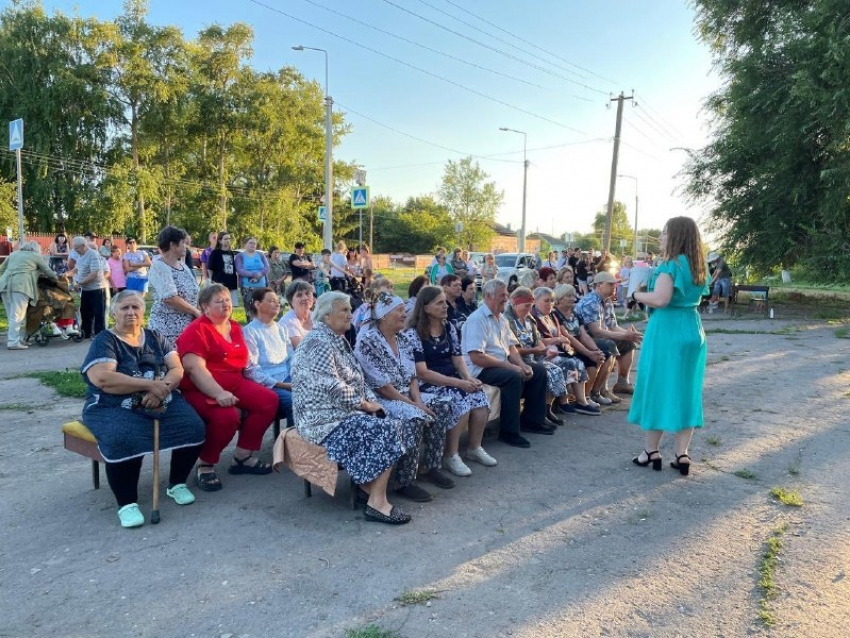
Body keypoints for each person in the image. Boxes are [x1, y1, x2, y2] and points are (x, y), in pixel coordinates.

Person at [80, 290, 205, 528]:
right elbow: (103, 378)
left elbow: (176, 369)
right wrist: (151, 385)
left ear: (143, 311)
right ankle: (126, 503)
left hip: (161, 397)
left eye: (135, 307)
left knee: (192, 427)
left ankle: (177, 483)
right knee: (123, 437)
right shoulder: (106, 340)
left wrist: (163, 390)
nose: (131, 313)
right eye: (124, 308)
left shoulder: (155, 336)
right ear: (113, 312)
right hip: (113, 404)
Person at [291, 291, 416, 525]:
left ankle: (369, 488)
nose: (351, 315)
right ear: (327, 315)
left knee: (396, 421)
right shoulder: (317, 342)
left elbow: (359, 380)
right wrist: (365, 404)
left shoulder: (337, 339)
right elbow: (331, 385)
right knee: (386, 429)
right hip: (321, 419)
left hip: (342, 411)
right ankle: (376, 503)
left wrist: (371, 402)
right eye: (345, 310)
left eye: (350, 310)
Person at [177, 284, 278, 491]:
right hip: (200, 388)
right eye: (219, 301)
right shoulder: (197, 330)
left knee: (268, 400)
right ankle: (205, 465)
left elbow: (243, 362)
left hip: (234, 382)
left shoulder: (234, 326)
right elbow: (194, 369)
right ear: (204, 307)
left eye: (227, 300)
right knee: (227, 417)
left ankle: (242, 455)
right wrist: (218, 393)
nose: (225, 304)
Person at [628, 217, 709, 476]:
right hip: (692, 329)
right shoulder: (698, 265)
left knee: (658, 387)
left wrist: (635, 295)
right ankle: (682, 454)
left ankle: (650, 451)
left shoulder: (671, 265)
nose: (660, 237)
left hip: (667, 331)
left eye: (664, 233)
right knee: (687, 391)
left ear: (675, 236)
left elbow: (661, 299)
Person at [355, 292, 453, 501]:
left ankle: (431, 466)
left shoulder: (404, 339)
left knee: (443, 404)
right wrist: (415, 407)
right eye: (399, 310)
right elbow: (383, 388)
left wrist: (418, 401)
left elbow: (412, 378)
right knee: (414, 417)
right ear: (384, 316)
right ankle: (404, 480)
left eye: (403, 309)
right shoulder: (368, 342)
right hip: (383, 399)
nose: (404, 314)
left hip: (406, 395)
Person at [405, 286, 494, 477]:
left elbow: (457, 358)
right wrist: (459, 384)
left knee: (478, 395)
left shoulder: (448, 327)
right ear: (426, 307)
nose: (445, 305)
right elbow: (422, 372)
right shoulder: (413, 333)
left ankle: (474, 447)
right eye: (439, 302)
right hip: (427, 384)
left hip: (450, 378)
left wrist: (468, 378)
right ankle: (450, 455)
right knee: (459, 399)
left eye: (445, 301)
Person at [461, 279, 549, 449]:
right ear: (488, 296)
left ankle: (532, 421)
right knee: (513, 377)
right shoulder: (477, 320)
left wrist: (522, 365)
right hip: (480, 369)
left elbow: (512, 347)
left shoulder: (501, 319)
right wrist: (511, 367)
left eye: (507, 295)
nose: (506, 299)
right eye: (502, 295)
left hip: (499, 364)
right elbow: (477, 357)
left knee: (538, 371)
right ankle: (509, 432)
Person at [504, 287, 570, 426]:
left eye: (531, 305)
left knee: (556, 369)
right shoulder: (508, 320)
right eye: (526, 306)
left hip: (532, 356)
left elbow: (537, 339)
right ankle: (537, 414)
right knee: (545, 371)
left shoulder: (528, 318)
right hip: (517, 359)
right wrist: (535, 350)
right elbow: (512, 350)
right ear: (515, 304)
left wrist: (544, 350)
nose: (529, 309)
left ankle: (546, 409)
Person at [531, 286, 601, 416]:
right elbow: (535, 341)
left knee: (576, 362)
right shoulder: (533, 316)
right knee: (567, 363)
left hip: (555, 351)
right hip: (539, 354)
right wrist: (556, 340)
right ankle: (563, 402)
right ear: (535, 301)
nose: (550, 304)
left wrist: (562, 343)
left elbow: (561, 336)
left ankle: (582, 401)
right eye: (546, 301)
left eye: (552, 300)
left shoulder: (551, 315)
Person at [575, 271, 643, 401]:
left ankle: (622, 382)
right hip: (584, 339)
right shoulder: (591, 301)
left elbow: (612, 326)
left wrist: (629, 335)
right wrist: (623, 336)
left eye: (615, 284)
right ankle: (598, 391)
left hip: (598, 336)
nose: (614, 287)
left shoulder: (607, 301)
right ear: (599, 285)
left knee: (628, 343)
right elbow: (596, 331)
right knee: (609, 345)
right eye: (611, 284)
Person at [552, 284, 612, 409]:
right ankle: (581, 398)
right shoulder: (555, 313)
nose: (572, 298)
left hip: (578, 346)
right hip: (564, 348)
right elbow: (569, 337)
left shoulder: (574, 312)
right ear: (560, 297)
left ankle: (587, 395)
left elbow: (583, 335)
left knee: (600, 356)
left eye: (573, 295)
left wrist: (595, 351)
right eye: (568, 296)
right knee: (585, 359)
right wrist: (588, 353)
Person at [243, 288, 293, 423]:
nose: (277, 304)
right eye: (271, 301)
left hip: (288, 378)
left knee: (315, 395)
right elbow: (251, 369)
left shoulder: (281, 328)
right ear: (258, 305)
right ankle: (291, 442)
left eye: (278, 301)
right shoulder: (250, 331)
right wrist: (282, 385)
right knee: (295, 403)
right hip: (267, 384)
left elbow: (291, 358)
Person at [147, 226, 202, 343]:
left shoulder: (183, 266)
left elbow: (194, 291)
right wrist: (195, 312)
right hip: (166, 330)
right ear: (172, 245)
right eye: (183, 243)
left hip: (187, 328)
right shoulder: (159, 267)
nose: (185, 247)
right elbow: (170, 298)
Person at [0, 241, 58, 349]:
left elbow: (1, 269)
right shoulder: (35, 256)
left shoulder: (13, 254)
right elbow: (47, 270)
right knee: (17, 316)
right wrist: (56, 279)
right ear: (36, 249)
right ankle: (13, 342)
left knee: (12, 315)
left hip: (4, 285)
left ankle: (17, 340)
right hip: (20, 286)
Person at [72, 236, 109, 339]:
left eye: (77, 248)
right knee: (85, 312)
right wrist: (68, 273)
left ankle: (99, 335)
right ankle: (86, 333)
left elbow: (94, 273)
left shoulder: (93, 254)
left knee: (98, 313)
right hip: (86, 289)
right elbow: (77, 268)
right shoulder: (81, 255)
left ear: (83, 246)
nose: (76, 251)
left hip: (97, 288)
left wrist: (80, 283)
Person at [207, 232, 240, 306]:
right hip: (220, 284)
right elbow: (210, 269)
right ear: (220, 241)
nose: (228, 241)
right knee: (221, 306)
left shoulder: (231, 253)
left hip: (231, 284)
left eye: (229, 239)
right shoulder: (215, 253)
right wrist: (213, 282)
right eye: (225, 239)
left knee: (231, 306)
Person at [235, 237, 270, 306]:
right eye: (250, 243)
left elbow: (267, 267)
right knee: (250, 309)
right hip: (247, 287)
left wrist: (260, 274)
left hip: (261, 286)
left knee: (262, 308)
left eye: (254, 243)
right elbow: (239, 270)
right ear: (245, 244)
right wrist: (253, 274)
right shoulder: (240, 256)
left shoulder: (260, 255)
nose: (253, 245)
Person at [279, 280, 314, 348]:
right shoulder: (287, 321)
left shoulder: (318, 317)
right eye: (299, 295)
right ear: (291, 301)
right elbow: (302, 348)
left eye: (307, 293)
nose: (305, 298)